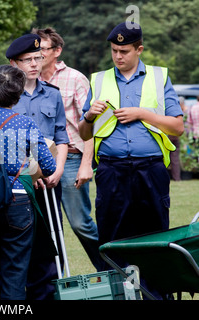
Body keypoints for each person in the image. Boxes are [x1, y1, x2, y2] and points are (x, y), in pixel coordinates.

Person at [78, 22, 184, 299]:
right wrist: (89, 116)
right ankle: (116, 295)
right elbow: (84, 132)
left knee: (155, 239)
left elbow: (177, 127)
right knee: (111, 240)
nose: (117, 56)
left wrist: (142, 113)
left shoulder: (159, 78)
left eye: (124, 51)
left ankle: (157, 296)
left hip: (150, 170)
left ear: (139, 49)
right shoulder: (99, 80)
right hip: (112, 172)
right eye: (114, 50)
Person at [0, 65, 56, 299]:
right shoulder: (24, 123)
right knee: (14, 275)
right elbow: (48, 166)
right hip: (18, 202)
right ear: (17, 95)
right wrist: (23, 166)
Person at [32, 27, 105, 272]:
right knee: (47, 227)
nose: (37, 55)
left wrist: (87, 163)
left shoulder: (75, 78)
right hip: (37, 163)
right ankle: (56, 281)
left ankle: (111, 270)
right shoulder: (29, 79)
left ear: (57, 51)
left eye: (41, 49)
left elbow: (90, 123)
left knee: (80, 224)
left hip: (73, 158)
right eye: (34, 50)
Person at [7, 34, 69, 300]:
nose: (34, 64)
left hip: (50, 181)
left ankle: (49, 294)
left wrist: (58, 170)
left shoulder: (53, 95)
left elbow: (62, 137)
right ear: (14, 63)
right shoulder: (5, 95)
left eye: (38, 58)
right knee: (22, 243)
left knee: (52, 243)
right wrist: (30, 174)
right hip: (21, 184)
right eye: (27, 59)